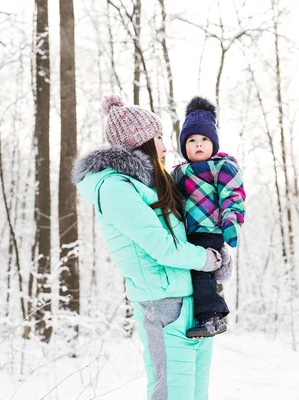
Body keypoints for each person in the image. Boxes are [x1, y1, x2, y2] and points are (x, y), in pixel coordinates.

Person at [73, 95, 228, 400]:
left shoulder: (154, 183)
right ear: (141, 141)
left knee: (196, 393)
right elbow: (161, 247)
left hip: (190, 297)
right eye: (158, 137)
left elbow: (188, 231)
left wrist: (220, 255)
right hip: (163, 302)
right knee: (172, 393)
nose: (165, 145)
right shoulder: (115, 187)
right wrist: (206, 260)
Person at [171, 96, 246, 339]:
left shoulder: (222, 167)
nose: (198, 144)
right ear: (184, 146)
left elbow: (232, 195)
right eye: (192, 140)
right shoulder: (179, 172)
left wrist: (231, 222)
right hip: (187, 232)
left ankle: (213, 318)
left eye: (204, 139)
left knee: (201, 272)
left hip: (209, 230)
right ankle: (198, 314)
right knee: (192, 274)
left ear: (214, 143)